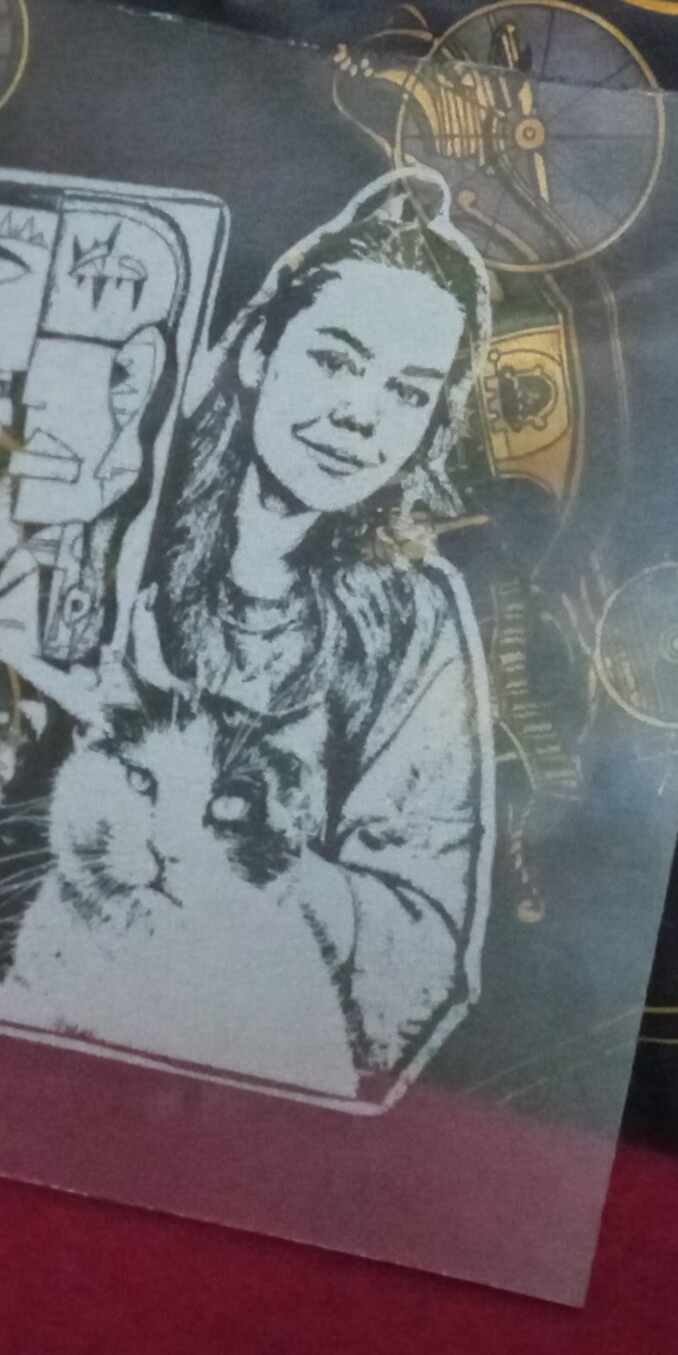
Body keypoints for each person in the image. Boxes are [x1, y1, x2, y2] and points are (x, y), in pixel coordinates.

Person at [126, 166, 497, 1082]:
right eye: (335, 360)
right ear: (259, 351)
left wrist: (263, 869)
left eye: (408, 393)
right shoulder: (119, 513)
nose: (358, 415)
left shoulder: (414, 614)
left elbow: (421, 955)